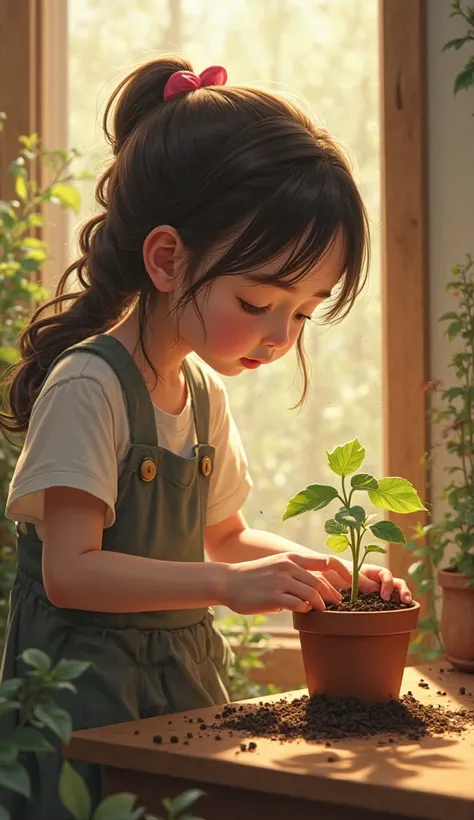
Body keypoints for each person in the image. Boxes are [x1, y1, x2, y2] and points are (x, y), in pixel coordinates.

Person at [0, 57, 412, 818]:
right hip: (81, 701)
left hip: (178, 684)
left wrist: (323, 573)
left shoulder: (200, 390)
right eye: (258, 301)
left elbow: (223, 536)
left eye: (303, 311)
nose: (281, 336)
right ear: (167, 259)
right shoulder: (90, 387)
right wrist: (226, 588)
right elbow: (72, 572)